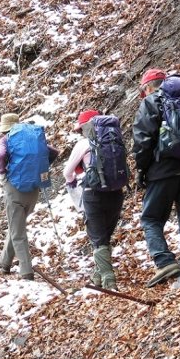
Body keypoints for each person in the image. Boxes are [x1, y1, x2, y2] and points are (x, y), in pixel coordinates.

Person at [132, 69, 180, 288]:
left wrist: (141, 170)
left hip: (161, 171)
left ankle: (164, 261)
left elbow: (143, 140)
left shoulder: (151, 102)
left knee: (150, 218)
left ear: (147, 87)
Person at [0, 113, 59, 281]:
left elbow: (1, 156)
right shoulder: (31, 139)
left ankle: (26, 271)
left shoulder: (6, 139)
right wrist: (37, 169)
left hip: (15, 188)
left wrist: (2, 173)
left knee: (18, 233)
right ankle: (4, 261)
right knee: (17, 226)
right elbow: (53, 152)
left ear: (5, 128)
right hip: (34, 189)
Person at [63, 109, 124, 290]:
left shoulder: (84, 143)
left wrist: (72, 182)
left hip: (93, 194)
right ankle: (97, 276)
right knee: (104, 236)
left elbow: (67, 172)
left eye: (80, 129)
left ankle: (108, 280)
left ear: (84, 127)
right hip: (116, 192)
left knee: (98, 238)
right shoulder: (114, 139)